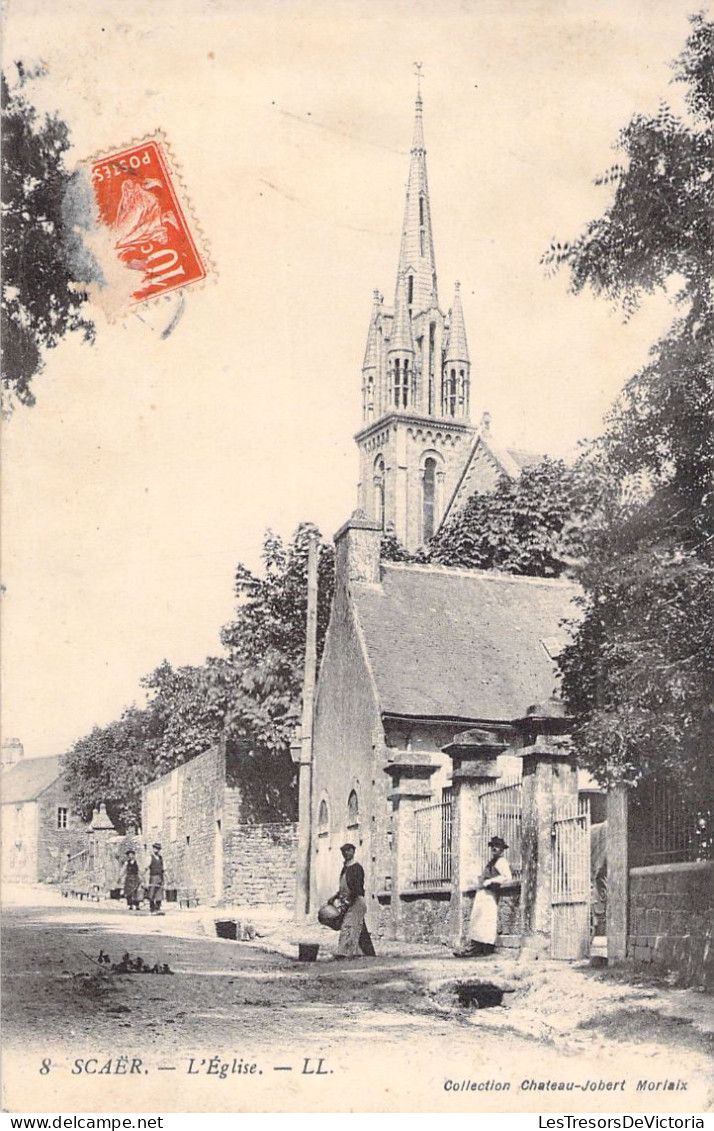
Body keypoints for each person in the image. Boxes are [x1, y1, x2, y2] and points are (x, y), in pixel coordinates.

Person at [454, 836, 512, 958]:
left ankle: (484, 947)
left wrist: (491, 881)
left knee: (486, 921)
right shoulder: (492, 862)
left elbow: (507, 877)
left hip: (490, 894)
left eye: (497, 846)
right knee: (477, 920)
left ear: (502, 849)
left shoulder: (502, 862)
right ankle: (476, 947)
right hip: (482, 894)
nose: (495, 848)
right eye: (493, 846)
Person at [331, 843, 376, 958]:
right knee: (359, 928)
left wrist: (348, 901)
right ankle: (368, 953)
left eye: (348, 851)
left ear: (353, 852)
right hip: (348, 901)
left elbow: (357, 888)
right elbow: (343, 887)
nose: (346, 854)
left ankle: (344, 953)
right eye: (343, 852)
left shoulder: (357, 868)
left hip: (356, 901)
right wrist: (335, 897)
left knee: (348, 926)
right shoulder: (345, 868)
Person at [146, 843, 165, 915]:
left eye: (158, 849)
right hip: (153, 877)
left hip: (160, 877)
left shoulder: (161, 858)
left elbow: (164, 868)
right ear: (153, 849)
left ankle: (158, 908)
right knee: (152, 893)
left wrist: (166, 876)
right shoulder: (150, 857)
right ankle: (152, 909)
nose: (156, 850)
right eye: (155, 848)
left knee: (159, 893)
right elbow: (146, 868)